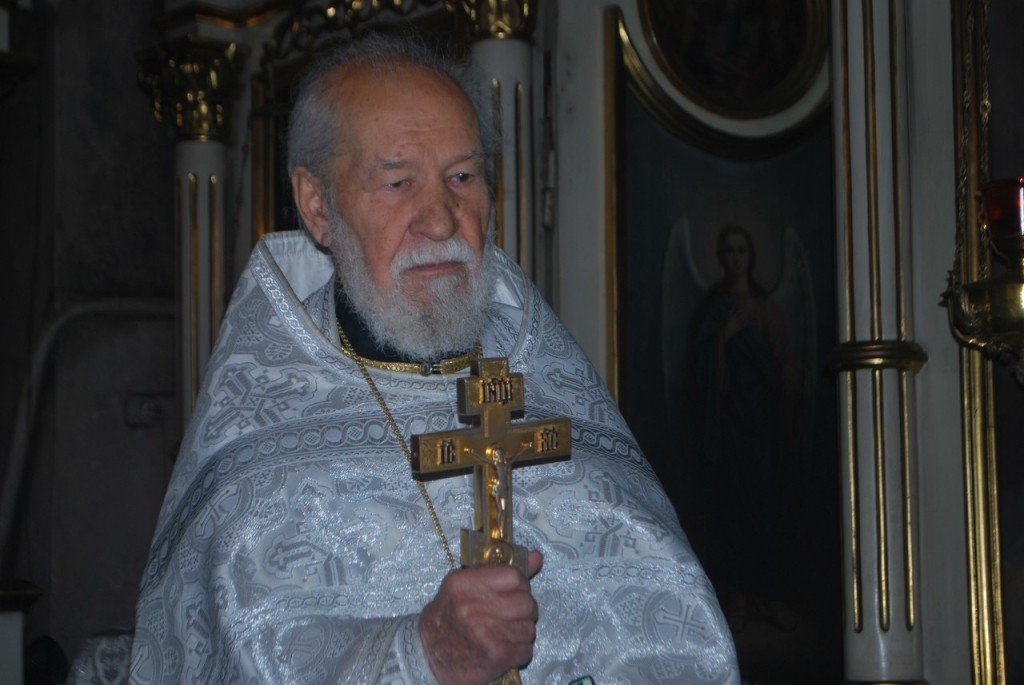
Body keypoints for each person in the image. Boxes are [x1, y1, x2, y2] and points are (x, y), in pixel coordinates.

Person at [129, 33, 738, 684]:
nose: (443, 221)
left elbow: (678, 636)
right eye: (398, 183)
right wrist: (417, 656)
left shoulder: (556, 398)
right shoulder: (258, 460)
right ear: (317, 204)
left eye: (463, 177)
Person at [689, 225, 795, 630]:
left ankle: (767, 596)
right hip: (728, 424)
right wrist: (723, 338)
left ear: (750, 256)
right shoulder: (715, 307)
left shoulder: (764, 307)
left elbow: (782, 365)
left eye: (741, 250)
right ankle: (736, 597)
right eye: (729, 250)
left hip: (760, 425)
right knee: (732, 507)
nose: (736, 258)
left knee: (763, 506)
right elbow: (699, 366)